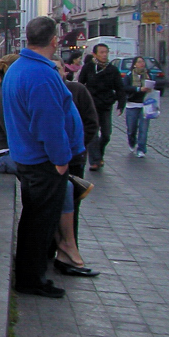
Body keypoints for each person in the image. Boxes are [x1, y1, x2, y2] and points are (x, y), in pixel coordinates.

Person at [2, 16, 84, 299]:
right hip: (42, 161)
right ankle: (31, 279)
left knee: (34, 218)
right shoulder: (41, 74)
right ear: (54, 40)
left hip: (29, 157)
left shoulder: (18, 68)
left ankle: (30, 275)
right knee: (40, 222)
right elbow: (48, 124)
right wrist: (61, 160)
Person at [60, 75, 99, 277]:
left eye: (58, 68)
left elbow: (91, 123)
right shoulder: (48, 91)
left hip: (74, 158)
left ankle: (69, 247)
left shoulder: (77, 91)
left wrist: (78, 148)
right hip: (58, 159)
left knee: (71, 204)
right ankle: (61, 251)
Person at [78, 43, 123, 170]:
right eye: (101, 52)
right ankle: (95, 161)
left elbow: (119, 88)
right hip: (91, 105)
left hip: (106, 105)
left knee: (106, 134)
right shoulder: (88, 68)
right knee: (93, 133)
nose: (104, 55)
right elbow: (81, 84)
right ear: (95, 54)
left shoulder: (112, 70)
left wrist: (121, 103)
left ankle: (99, 154)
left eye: (106, 52)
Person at [122, 57, 157, 157]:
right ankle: (132, 142)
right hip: (132, 104)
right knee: (131, 129)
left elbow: (153, 86)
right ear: (134, 64)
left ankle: (141, 149)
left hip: (145, 105)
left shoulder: (148, 75)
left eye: (143, 62)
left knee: (143, 129)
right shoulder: (129, 75)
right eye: (139, 62)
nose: (142, 64)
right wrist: (138, 89)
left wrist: (150, 88)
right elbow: (125, 87)